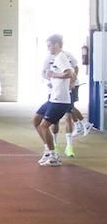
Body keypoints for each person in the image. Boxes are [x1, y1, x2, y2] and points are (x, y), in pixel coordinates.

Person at [33, 34, 75, 167]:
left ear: (57, 44)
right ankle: (47, 150)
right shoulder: (55, 58)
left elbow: (69, 73)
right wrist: (50, 78)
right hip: (53, 97)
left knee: (44, 126)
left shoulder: (61, 57)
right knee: (35, 120)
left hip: (60, 100)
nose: (48, 48)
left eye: (50, 45)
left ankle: (53, 155)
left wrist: (55, 75)